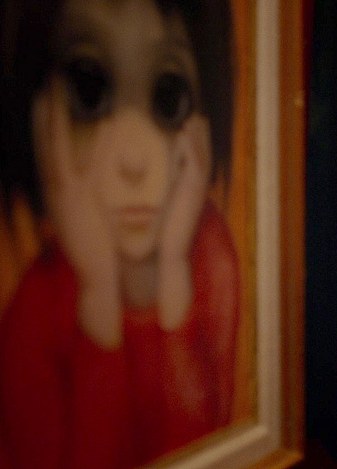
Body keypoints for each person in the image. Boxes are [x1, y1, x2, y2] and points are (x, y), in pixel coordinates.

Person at [0, 0, 239, 467]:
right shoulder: (32, 319)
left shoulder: (211, 253)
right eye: (88, 95)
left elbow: (205, 446)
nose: (134, 160)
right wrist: (98, 294)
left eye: (167, 96)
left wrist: (173, 273)